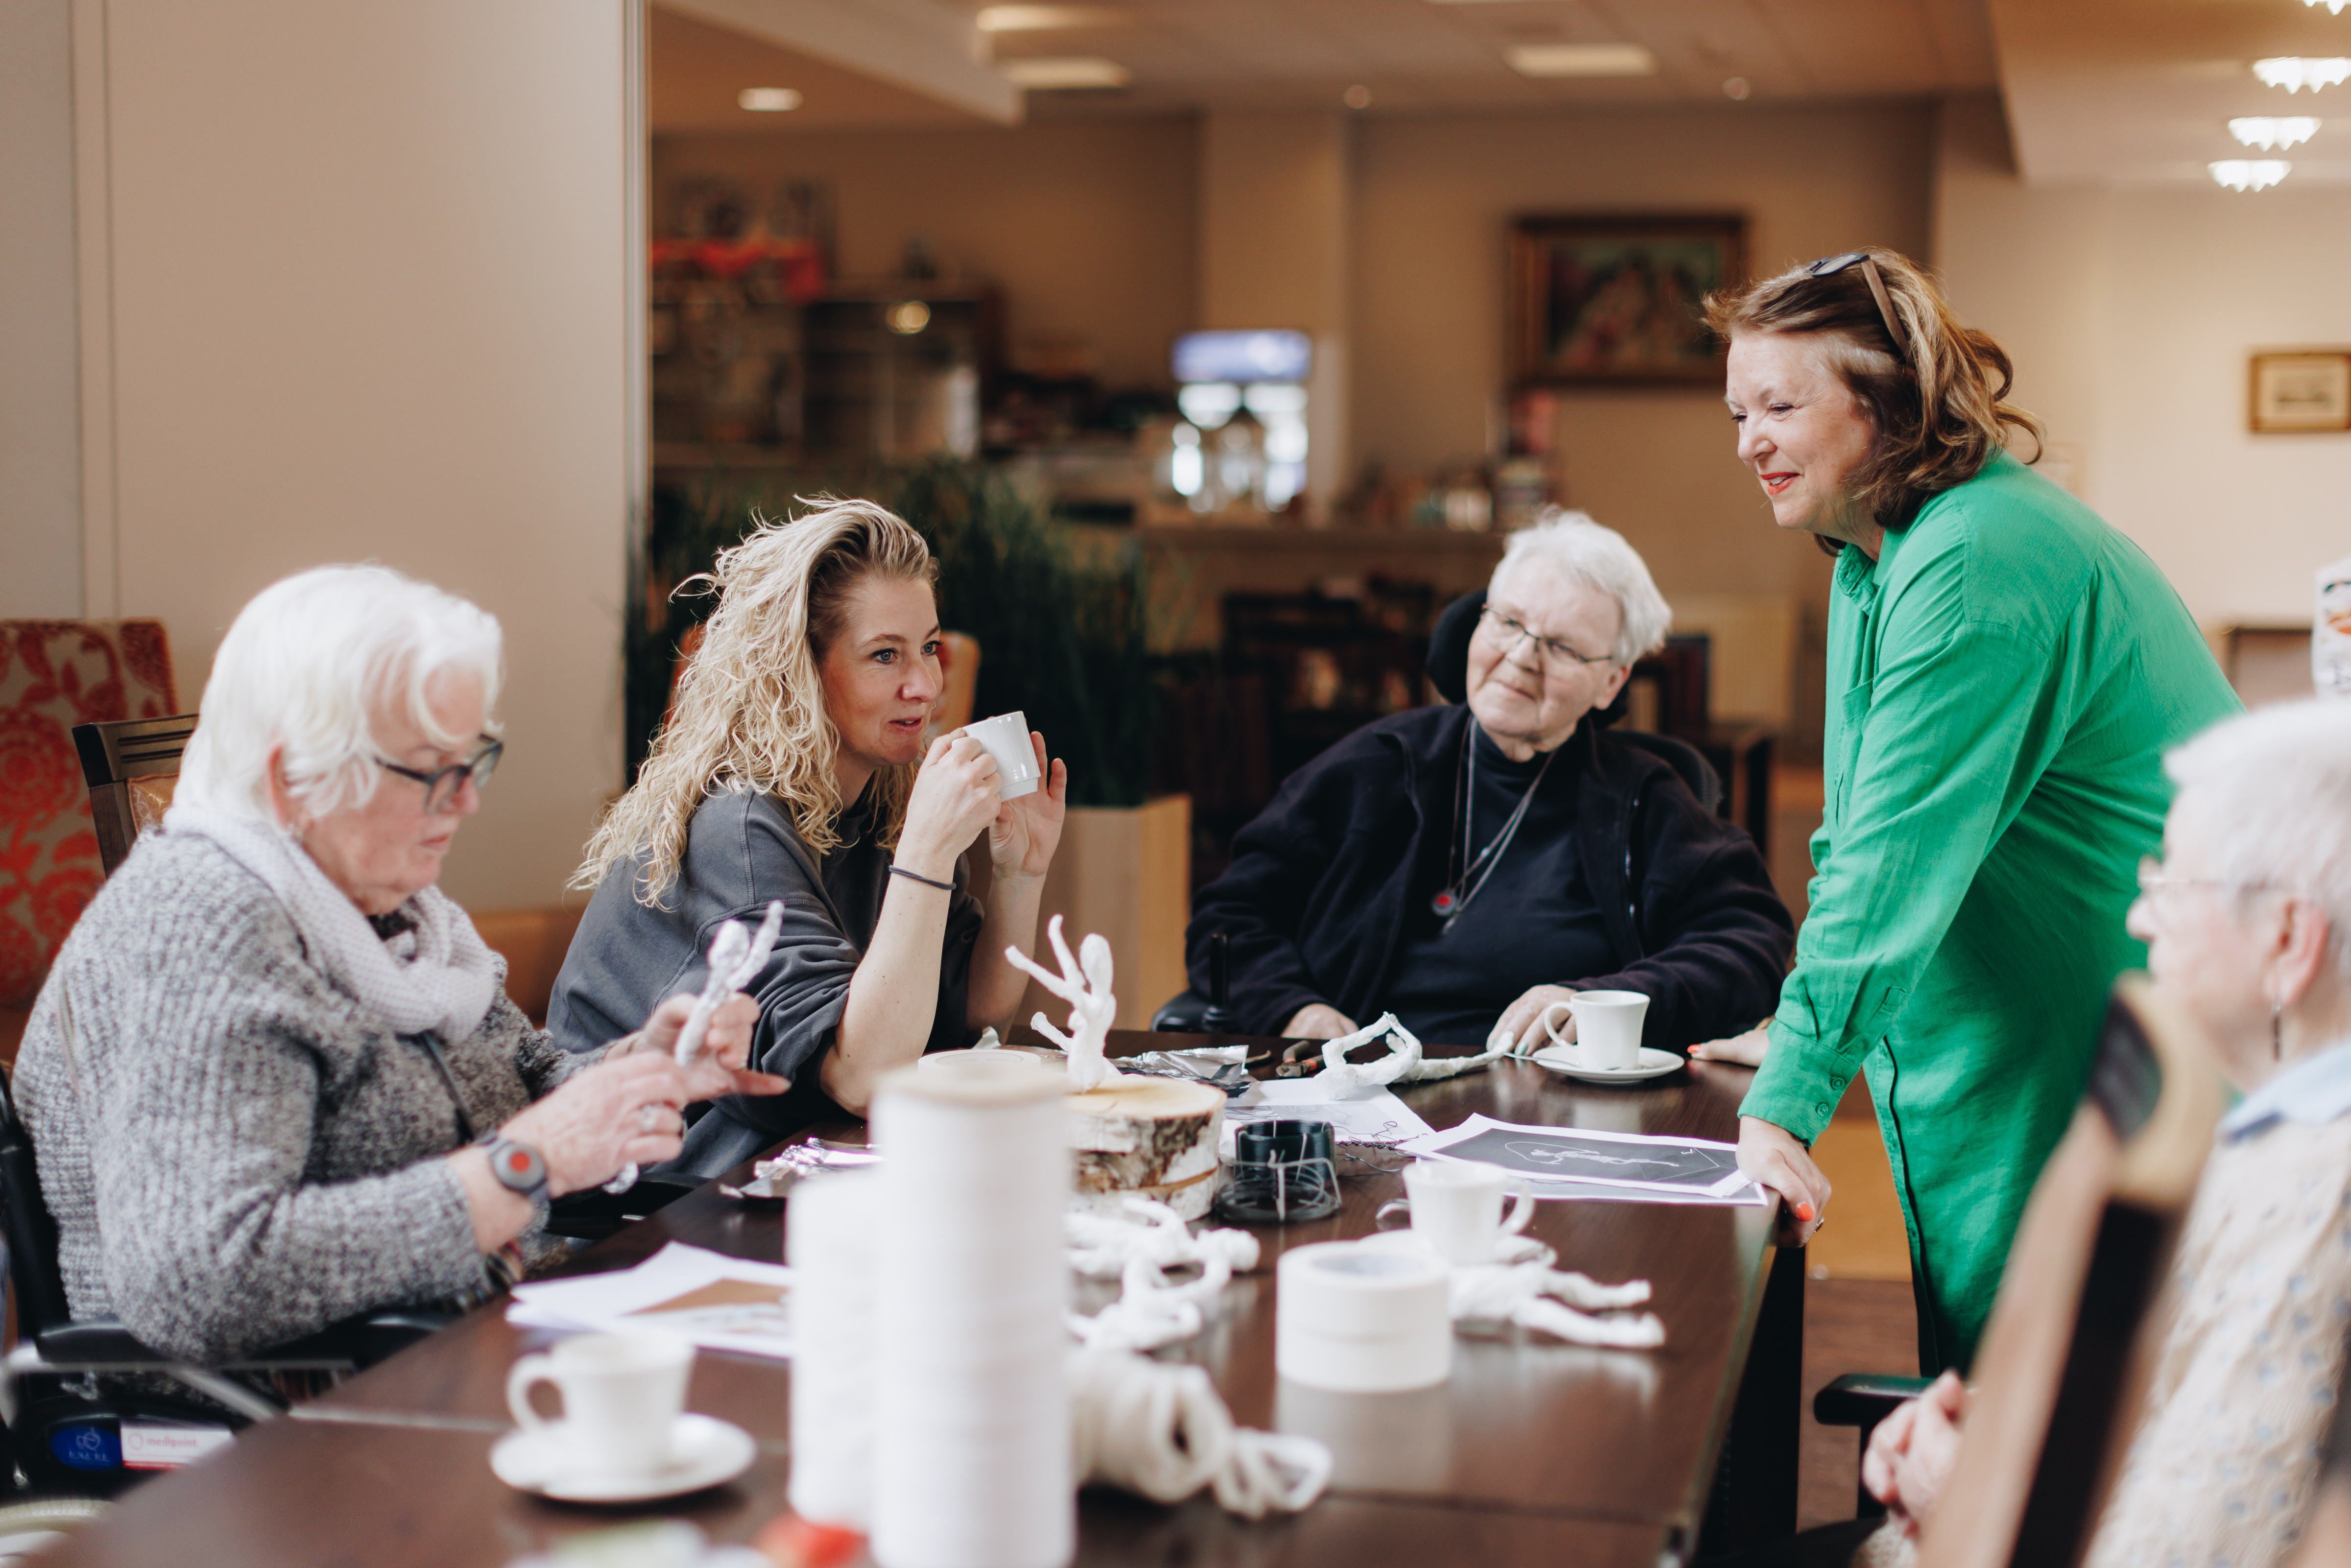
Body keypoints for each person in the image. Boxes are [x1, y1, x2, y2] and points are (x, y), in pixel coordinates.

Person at [1693, 248, 2240, 1374]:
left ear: (1886, 402)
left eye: (1779, 405)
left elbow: (1889, 867)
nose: (1747, 439)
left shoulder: (1979, 550)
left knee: (2055, 1414)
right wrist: (1798, 1039)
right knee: (1996, 1396)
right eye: (1737, 409)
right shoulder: (1867, 557)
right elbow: (1850, 831)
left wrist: (1788, 1099)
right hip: (2021, 1037)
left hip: (2096, 1034)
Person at [12, 566, 783, 1365]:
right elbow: (199, 1280)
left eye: (472, 759)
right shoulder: (203, 925)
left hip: (460, 1346)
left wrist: (639, 1066)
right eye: (428, 772)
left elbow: (518, 1086)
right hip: (289, 1425)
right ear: (289, 781)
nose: (466, 802)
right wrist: (520, 1168)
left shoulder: (389, 911)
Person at [1853, 701, 2351, 1568]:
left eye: (2168, 888)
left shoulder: (2319, 1204)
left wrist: (1967, 1484)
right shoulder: (2281, 1136)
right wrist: (2003, 1426)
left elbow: (2186, 1549)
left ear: (2287, 938)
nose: (2138, 918)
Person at [551, 499, 1067, 1175]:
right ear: (802, 671)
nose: (926, 684)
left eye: (930, 648)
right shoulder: (736, 822)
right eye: (885, 655)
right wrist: (929, 852)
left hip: (786, 1167)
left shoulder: (880, 797)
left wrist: (1019, 873)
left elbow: (967, 1010)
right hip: (644, 1205)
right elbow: (862, 1075)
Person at [1184, 510, 1794, 1054]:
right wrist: (1294, 1008)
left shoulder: (1645, 799)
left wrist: (1605, 1000)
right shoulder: (1371, 766)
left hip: (1551, 1106)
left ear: (1610, 683)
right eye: (1509, 622)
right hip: (1361, 1093)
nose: (1523, 656)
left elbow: (1750, 943)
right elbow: (1230, 915)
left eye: (1561, 646)